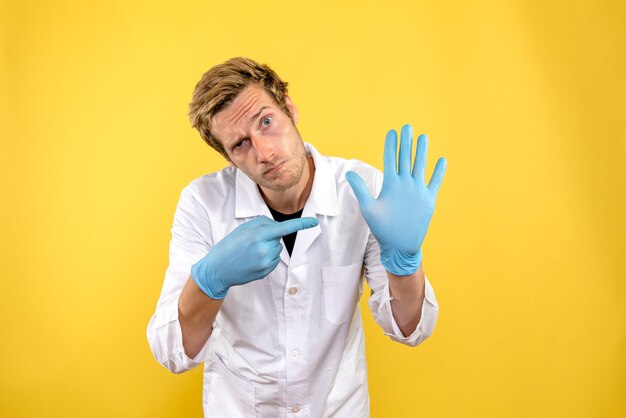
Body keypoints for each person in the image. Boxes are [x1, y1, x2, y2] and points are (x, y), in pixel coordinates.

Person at [147, 57, 447, 417]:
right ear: (226, 157)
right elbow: (171, 352)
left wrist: (405, 264)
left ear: (289, 107)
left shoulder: (362, 191)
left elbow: (410, 328)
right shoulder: (203, 204)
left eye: (267, 122)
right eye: (240, 144)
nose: (264, 152)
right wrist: (209, 281)